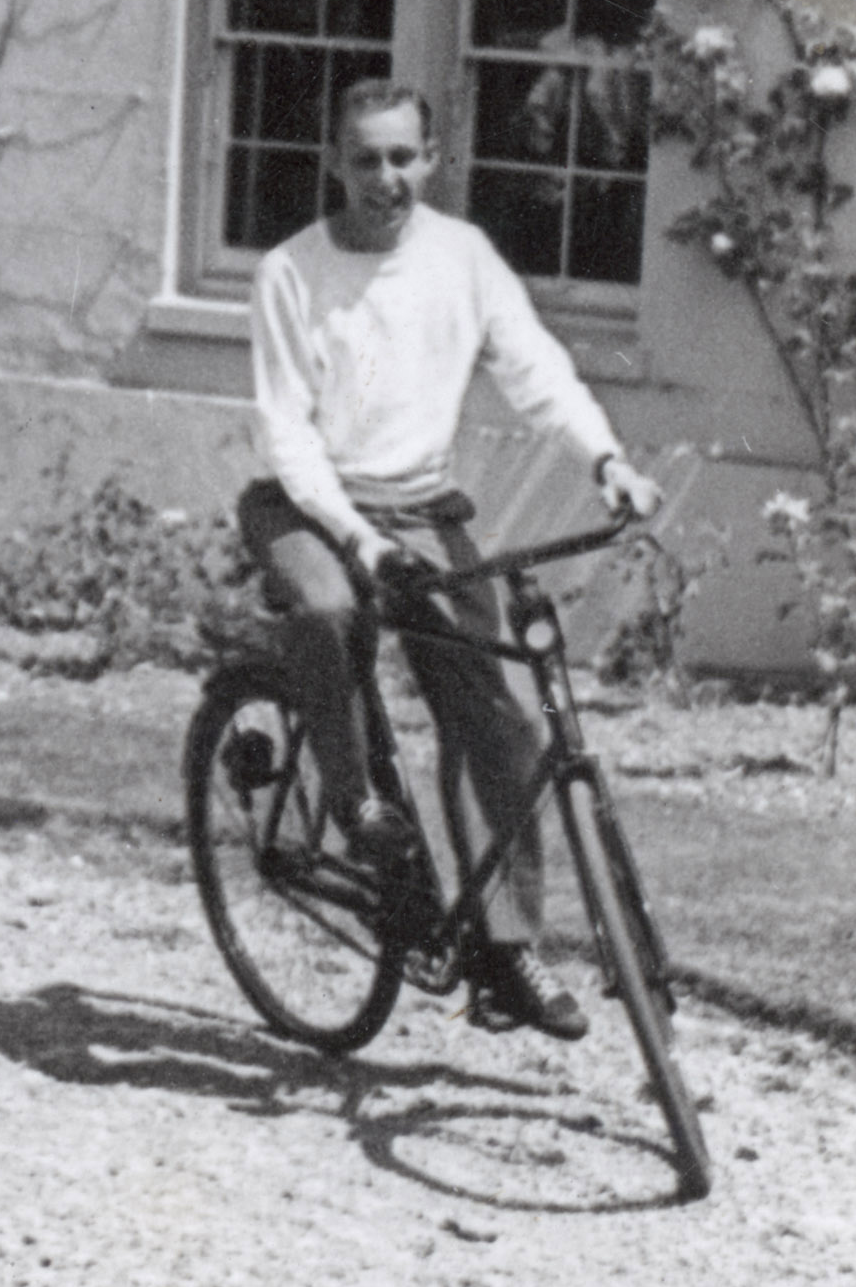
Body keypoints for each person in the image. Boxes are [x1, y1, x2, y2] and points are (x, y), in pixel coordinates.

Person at [243, 72, 657, 1040]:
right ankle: (357, 811)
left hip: (423, 502)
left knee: (500, 716)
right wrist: (360, 542)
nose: (386, 177)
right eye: (365, 159)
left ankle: (504, 951)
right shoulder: (289, 272)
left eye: (402, 157)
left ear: (431, 158)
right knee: (328, 610)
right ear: (333, 164)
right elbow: (289, 439)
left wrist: (608, 460)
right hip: (313, 503)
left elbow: (536, 368)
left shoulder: (462, 256)